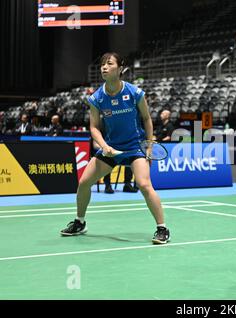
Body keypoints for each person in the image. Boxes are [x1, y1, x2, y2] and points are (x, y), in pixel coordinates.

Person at [60, 52, 170, 244]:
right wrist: (104, 146)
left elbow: (146, 119)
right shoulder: (97, 98)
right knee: (84, 182)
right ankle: (80, 221)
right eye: (102, 64)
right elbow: (94, 127)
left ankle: (162, 228)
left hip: (135, 147)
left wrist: (149, 147)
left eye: (109, 64)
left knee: (144, 185)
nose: (103, 67)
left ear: (119, 69)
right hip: (110, 148)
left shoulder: (135, 93)